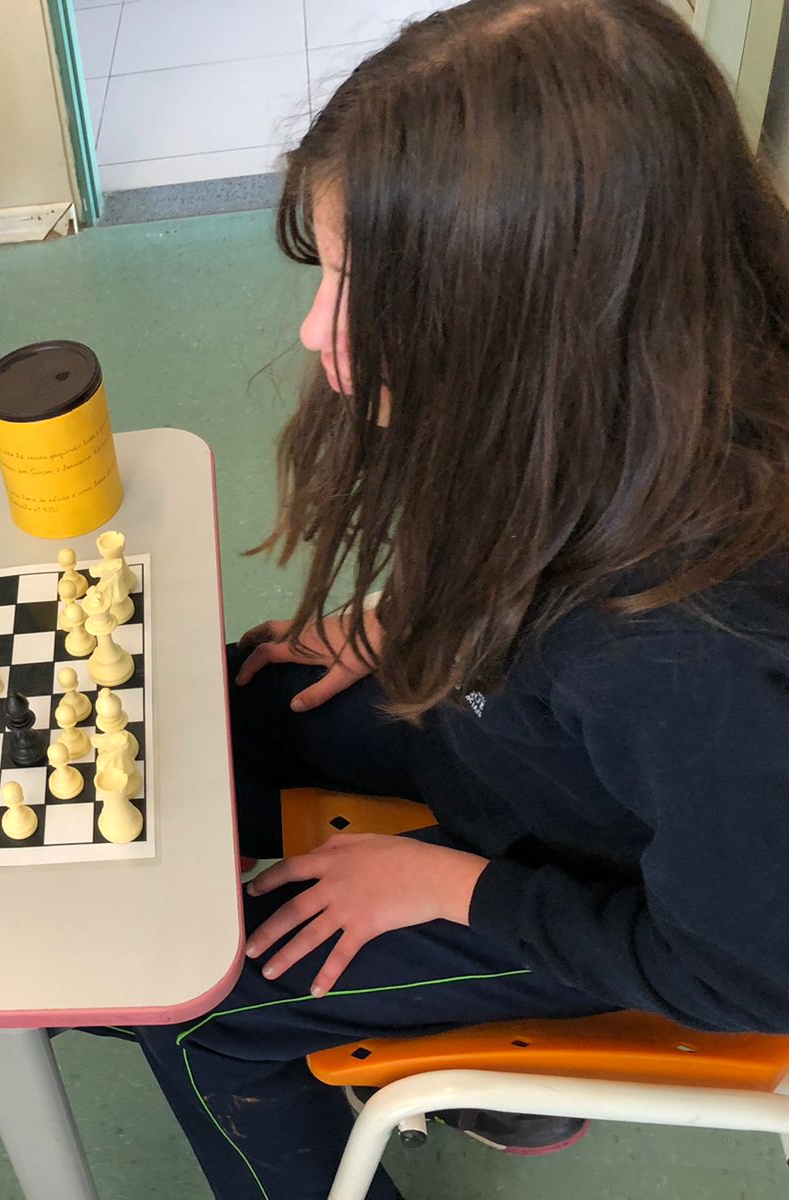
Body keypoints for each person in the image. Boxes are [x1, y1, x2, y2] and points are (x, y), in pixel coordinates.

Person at [130, 2, 789, 1197]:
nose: (313, 328)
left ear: (539, 317)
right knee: (203, 701)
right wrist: (409, 621)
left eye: (358, 287)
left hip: (592, 890)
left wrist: (454, 889)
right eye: (327, 272)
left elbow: (746, 970)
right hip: (521, 743)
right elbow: (521, 547)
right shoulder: (594, 397)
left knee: (194, 1017)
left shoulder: (694, 653)